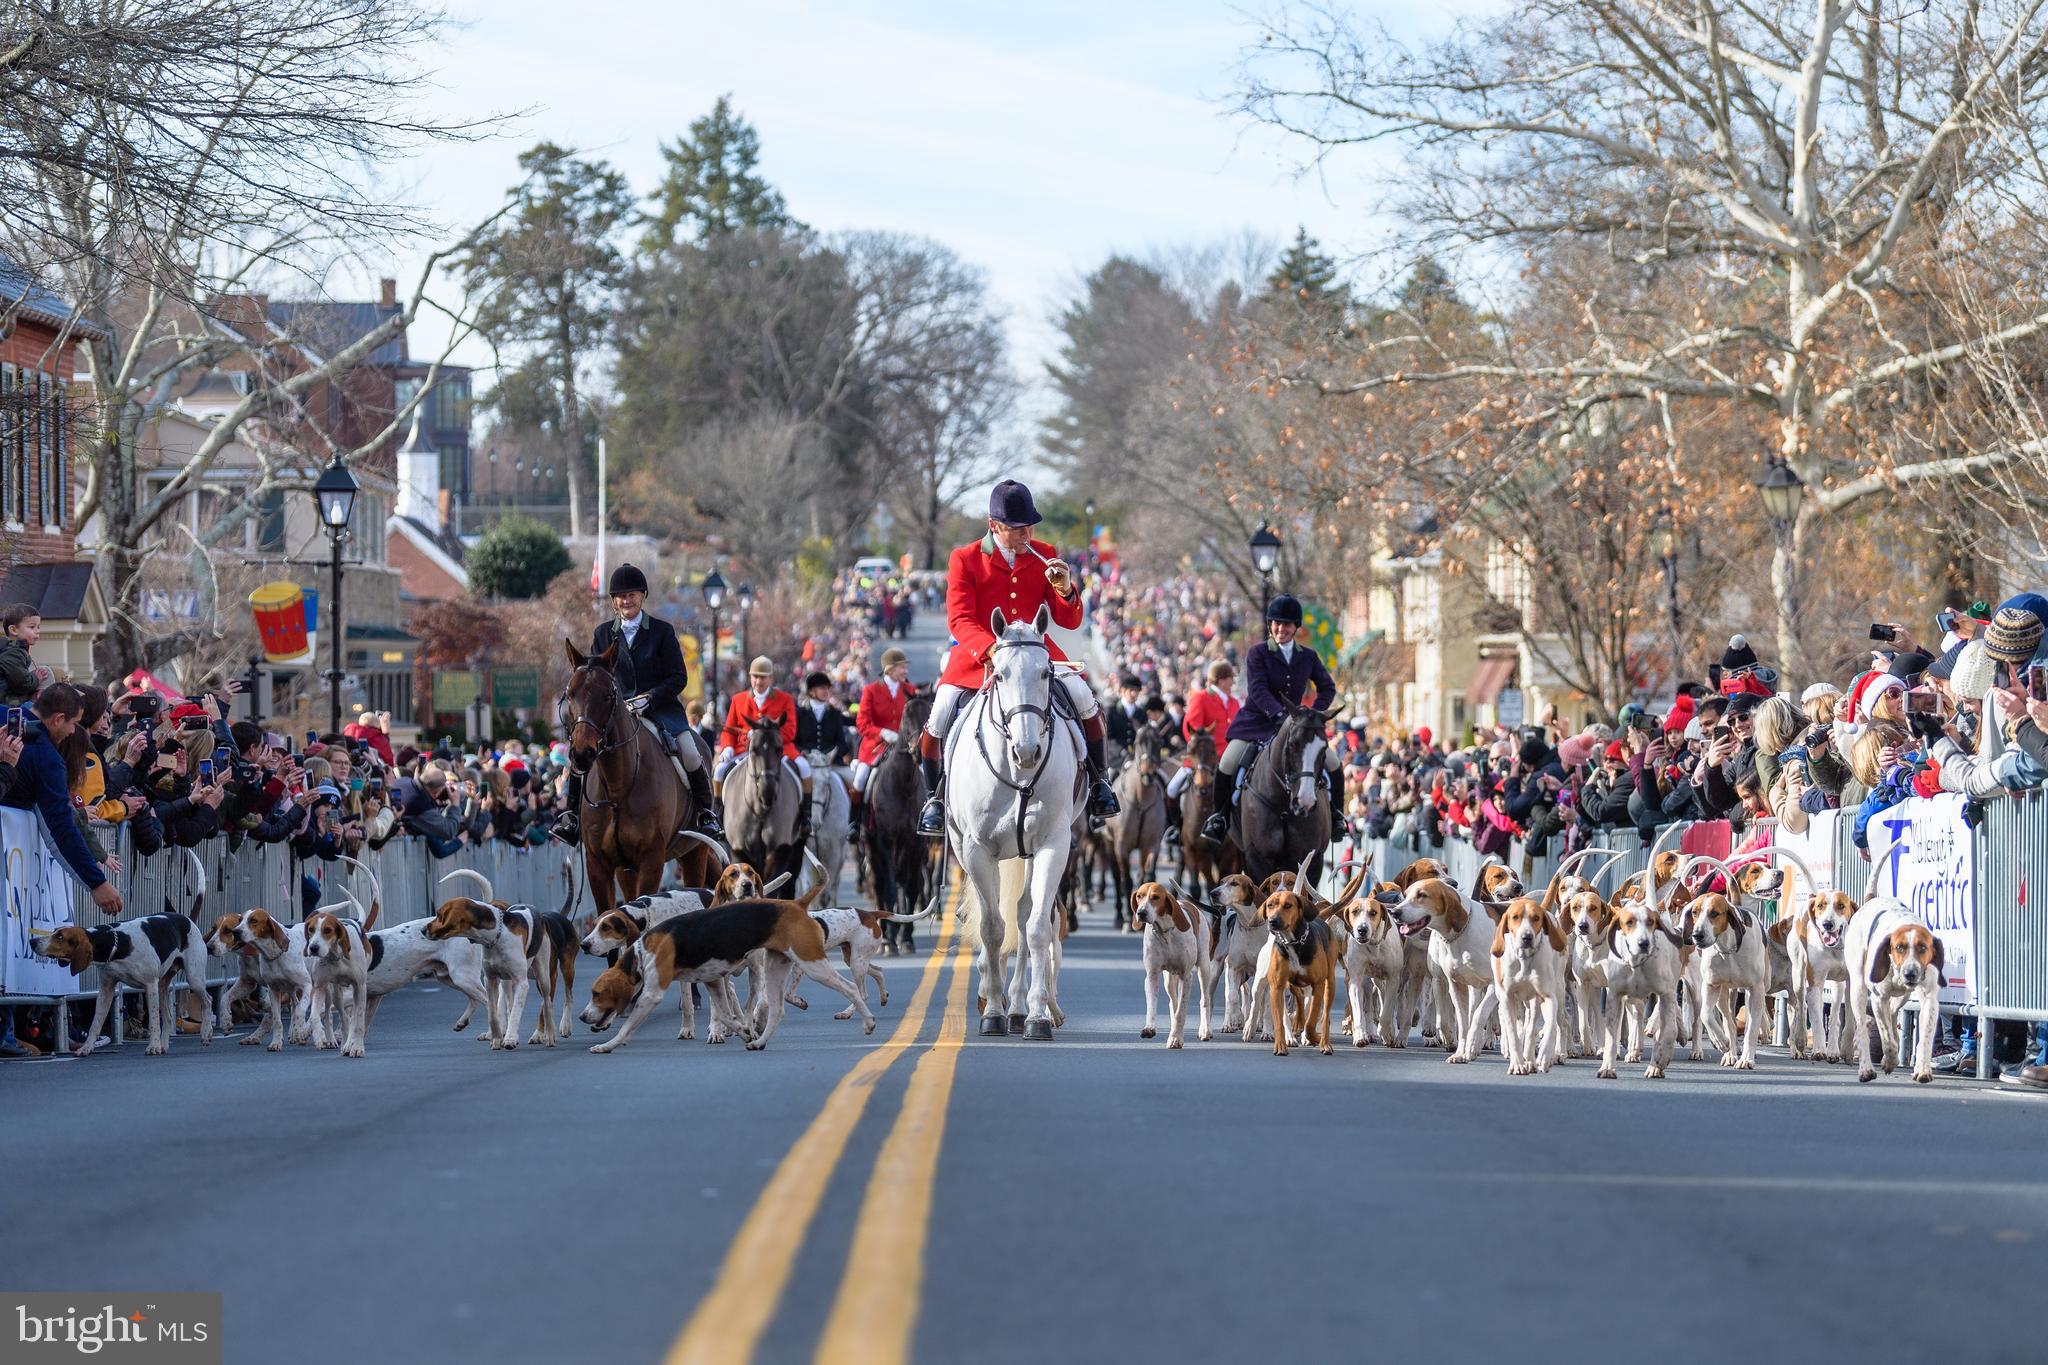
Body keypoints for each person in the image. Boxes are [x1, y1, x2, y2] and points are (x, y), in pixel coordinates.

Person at [917, 479, 1118, 836]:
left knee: (1085, 698)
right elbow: (959, 618)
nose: (1027, 533)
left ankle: (1101, 782)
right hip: (979, 656)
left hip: (1037, 653)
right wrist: (990, 649)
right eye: (1017, 528)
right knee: (941, 713)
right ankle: (934, 799)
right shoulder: (964, 558)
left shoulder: (1045, 553)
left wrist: (1065, 589)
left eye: (1030, 525)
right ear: (994, 525)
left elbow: (1068, 620)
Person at [555, 563, 721, 845]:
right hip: (615, 714)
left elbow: (678, 677)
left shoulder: (662, 631)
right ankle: (571, 817)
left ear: (642, 596)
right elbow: (596, 679)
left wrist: (651, 696)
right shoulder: (603, 633)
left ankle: (706, 813)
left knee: (692, 753)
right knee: (581, 755)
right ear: (613, 601)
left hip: (660, 710)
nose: (626, 600)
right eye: (620, 596)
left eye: (631, 595)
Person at [1201, 594, 1336, 841]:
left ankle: (1336, 816)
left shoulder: (1308, 656)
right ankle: (1219, 818)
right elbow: (1258, 689)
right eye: (1275, 623)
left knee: (1333, 763)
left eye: (1286, 624)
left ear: (1296, 627)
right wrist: (1279, 714)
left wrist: (1313, 716)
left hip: (1296, 727)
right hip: (1257, 723)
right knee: (1227, 763)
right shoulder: (1258, 653)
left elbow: (1328, 688)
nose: (1280, 629)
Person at [1, 683, 122, 915]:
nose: (72, 732)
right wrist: (97, 883)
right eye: (74, 723)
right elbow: (61, 828)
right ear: (58, 719)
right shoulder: (47, 760)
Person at [1165, 659, 1239, 844]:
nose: (1232, 682)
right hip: (1203, 760)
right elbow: (1191, 727)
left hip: (1230, 759)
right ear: (1220, 680)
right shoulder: (1201, 697)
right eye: (1230, 678)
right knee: (1172, 789)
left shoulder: (1234, 702)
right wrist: (1203, 751)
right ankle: (1176, 828)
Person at [717, 656, 810, 789]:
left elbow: (790, 730)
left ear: (771, 679)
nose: (758, 681)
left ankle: (805, 810)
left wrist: (763, 736)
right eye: (755, 676)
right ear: (750, 677)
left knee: (804, 767)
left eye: (763, 677)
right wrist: (728, 747)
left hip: (778, 750)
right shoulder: (738, 700)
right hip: (745, 750)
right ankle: (717, 809)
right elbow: (729, 729)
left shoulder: (785, 699)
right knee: (719, 771)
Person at [852, 647, 915, 827]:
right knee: (860, 778)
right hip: (876, 746)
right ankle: (855, 822)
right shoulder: (871, 690)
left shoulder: (910, 690)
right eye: (902, 667)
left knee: (924, 775)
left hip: (904, 747)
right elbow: (862, 722)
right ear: (890, 669)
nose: (906, 671)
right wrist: (882, 733)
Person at [1, 603, 53, 705]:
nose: (37, 631)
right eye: (32, 627)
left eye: (38, 627)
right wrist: (36, 678)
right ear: (13, 630)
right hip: (6, 705)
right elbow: (22, 683)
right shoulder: (13, 652)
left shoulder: (13, 650)